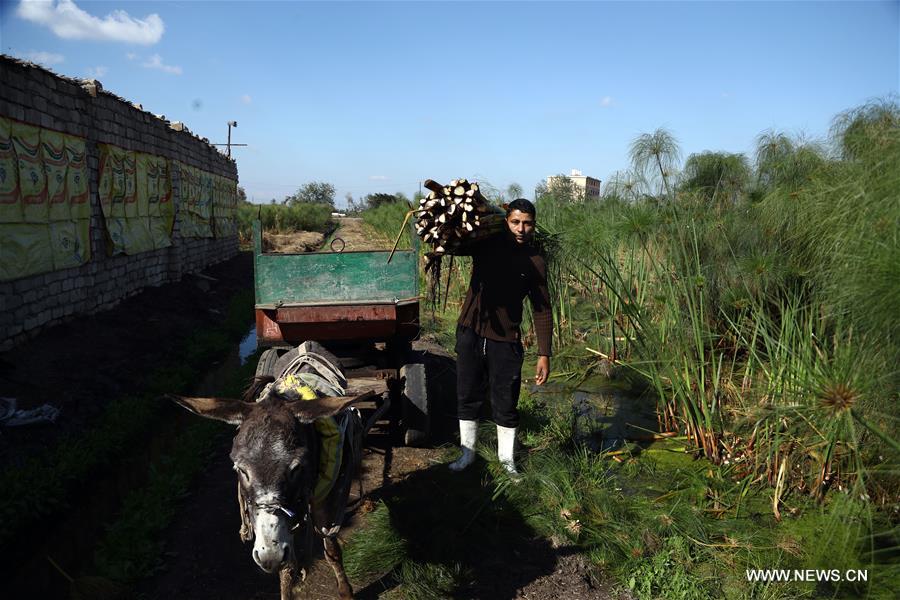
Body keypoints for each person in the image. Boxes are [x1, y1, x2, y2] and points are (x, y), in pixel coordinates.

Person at [449, 198, 553, 475]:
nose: (521, 228)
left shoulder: (535, 261)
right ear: (506, 221)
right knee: (467, 394)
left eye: (527, 223)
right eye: (515, 222)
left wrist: (544, 354)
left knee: (505, 400)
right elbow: (454, 243)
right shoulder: (486, 244)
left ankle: (507, 462)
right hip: (471, 331)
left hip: (506, 340)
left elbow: (542, 309)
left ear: (534, 225)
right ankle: (467, 455)